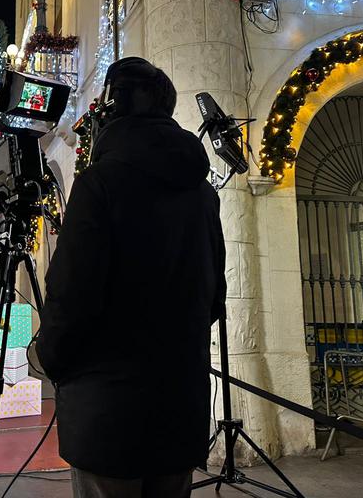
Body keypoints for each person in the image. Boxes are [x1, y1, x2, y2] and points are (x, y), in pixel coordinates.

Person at [36, 57, 226, 498]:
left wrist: (52, 359)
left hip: (108, 411)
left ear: (115, 108)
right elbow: (214, 294)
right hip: (179, 405)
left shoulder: (99, 183)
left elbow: (71, 294)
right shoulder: (202, 193)